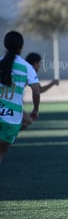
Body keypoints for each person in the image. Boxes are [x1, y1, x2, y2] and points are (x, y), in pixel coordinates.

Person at [0, 31, 40, 163]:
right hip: (11, 119)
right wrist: (35, 109)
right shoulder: (27, 67)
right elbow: (36, 91)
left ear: (5, 45)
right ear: (21, 47)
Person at [21, 53, 59, 129]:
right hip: (10, 103)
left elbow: (38, 90)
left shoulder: (21, 67)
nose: (40, 66)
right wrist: (36, 109)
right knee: (26, 121)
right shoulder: (29, 70)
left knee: (26, 121)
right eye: (39, 63)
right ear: (35, 63)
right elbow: (38, 91)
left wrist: (52, 83)